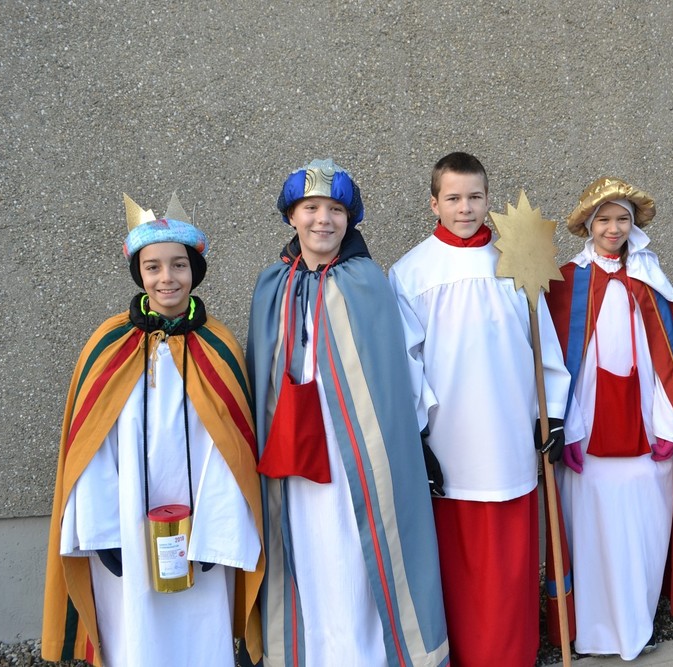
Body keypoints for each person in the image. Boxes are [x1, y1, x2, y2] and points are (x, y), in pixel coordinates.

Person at [42, 194, 264, 666]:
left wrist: (217, 532)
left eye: (179, 265)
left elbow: (231, 452)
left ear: (194, 271)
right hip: (124, 524)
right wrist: (103, 533)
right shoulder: (108, 344)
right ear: (139, 274)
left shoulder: (218, 344)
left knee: (200, 630)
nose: (167, 278)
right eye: (153, 267)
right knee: (133, 633)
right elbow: (92, 448)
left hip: (200, 532)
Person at [247, 158, 449, 667]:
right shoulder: (272, 285)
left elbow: (397, 373)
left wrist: (416, 438)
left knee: (359, 549)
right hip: (294, 455)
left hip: (357, 454)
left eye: (336, 209)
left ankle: (365, 655)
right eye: (311, 208)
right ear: (291, 216)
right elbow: (260, 373)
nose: (323, 219)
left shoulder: (368, 283)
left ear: (350, 219)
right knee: (305, 548)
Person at [388, 152, 570, 667]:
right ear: (434, 204)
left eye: (474, 197)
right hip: (451, 441)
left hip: (512, 434)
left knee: (512, 562)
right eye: (453, 198)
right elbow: (406, 362)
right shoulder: (410, 272)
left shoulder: (517, 260)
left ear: (489, 200)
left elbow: (543, 344)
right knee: (460, 563)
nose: (465, 208)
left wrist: (553, 412)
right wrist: (418, 436)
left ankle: (515, 654)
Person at [544, 177, 673, 659]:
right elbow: (558, 364)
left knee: (642, 533)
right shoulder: (566, 281)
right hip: (587, 436)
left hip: (646, 431)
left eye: (622, 218)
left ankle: (635, 627)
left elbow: (667, 360)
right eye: (603, 219)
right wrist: (567, 429)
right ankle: (593, 631)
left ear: (633, 224)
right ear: (588, 224)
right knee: (592, 534)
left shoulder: (650, 278)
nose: (613, 228)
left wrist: (668, 424)